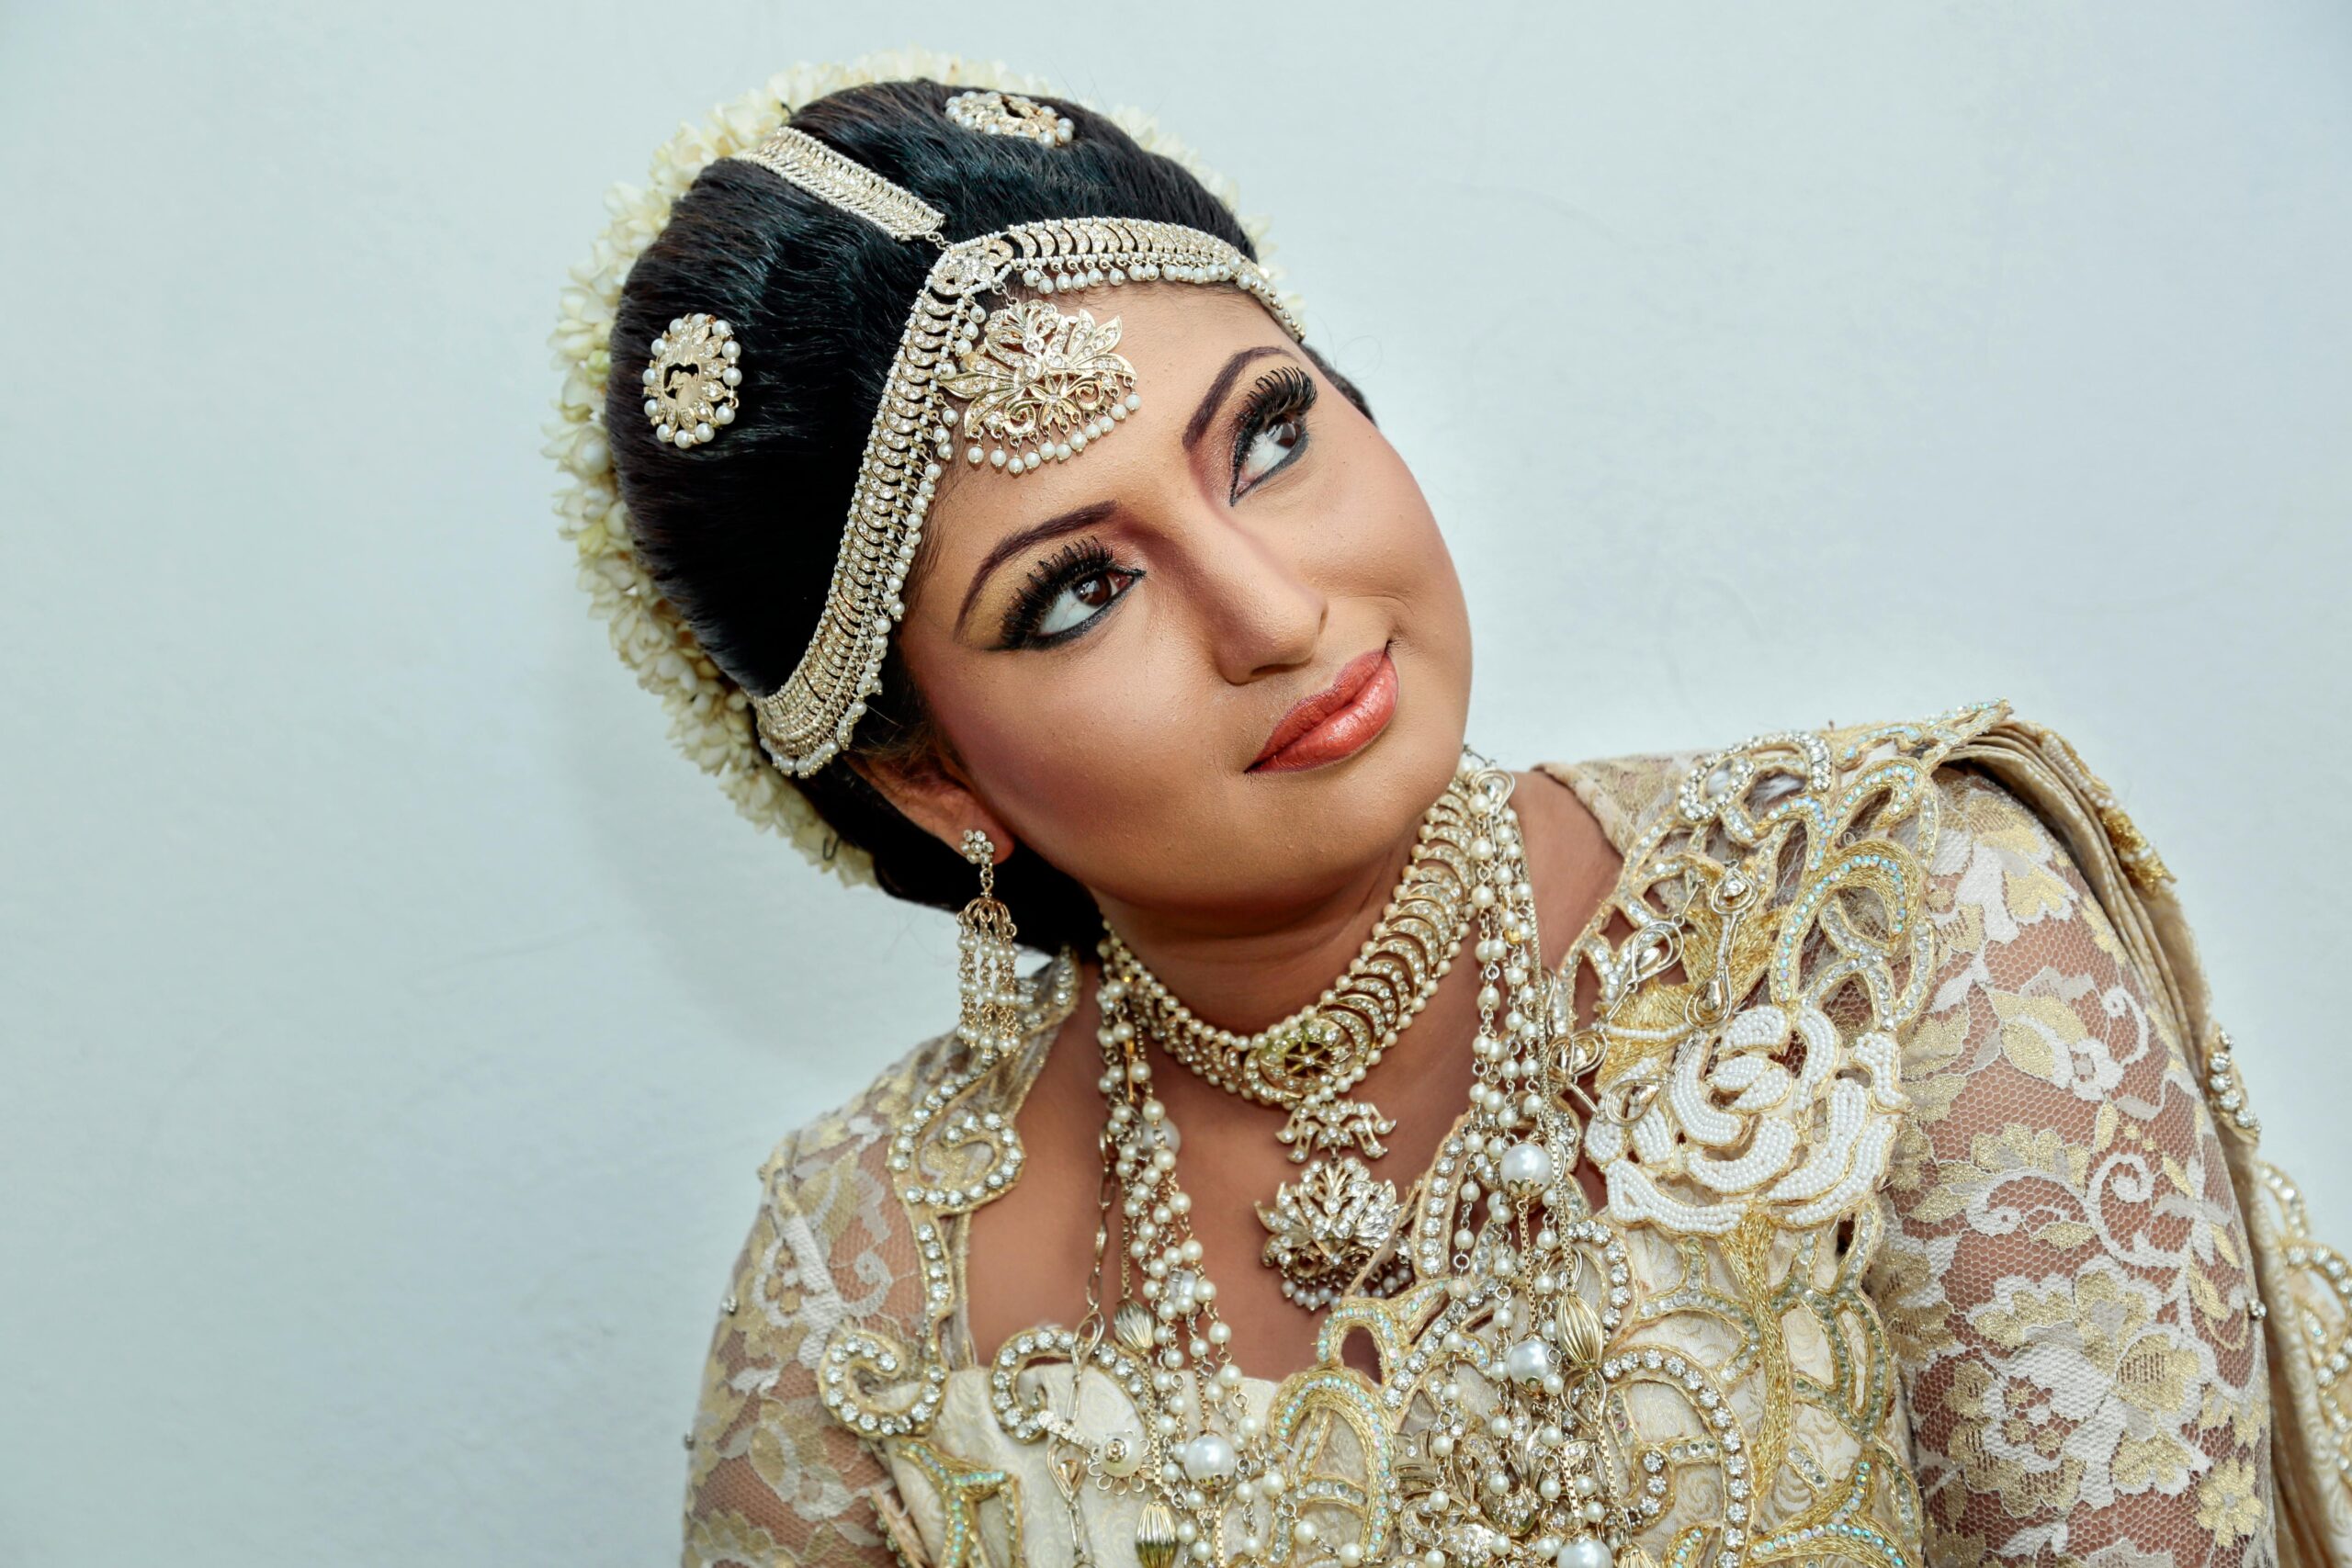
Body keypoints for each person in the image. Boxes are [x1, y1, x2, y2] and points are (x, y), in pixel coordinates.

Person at [546, 55, 2352, 1568]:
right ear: (929, 774)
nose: (1269, 611)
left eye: (1264, 433)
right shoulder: (860, 1279)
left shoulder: (1890, 924)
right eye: (1076, 593)